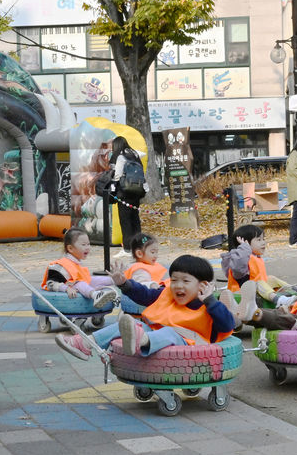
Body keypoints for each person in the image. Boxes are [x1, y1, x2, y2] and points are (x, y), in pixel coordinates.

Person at [54, 255, 235, 360]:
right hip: (156, 333)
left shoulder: (210, 304)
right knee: (132, 323)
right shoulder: (167, 294)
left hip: (190, 342)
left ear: (202, 285)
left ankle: (139, 340)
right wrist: (124, 283)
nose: (178, 286)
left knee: (170, 332)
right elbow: (144, 295)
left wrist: (210, 301)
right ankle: (85, 343)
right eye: (174, 280)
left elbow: (227, 325)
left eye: (186, 281)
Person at [41, 228, 119, 307]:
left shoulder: (76, 263)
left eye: (88, 244)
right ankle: (95, 295)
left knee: (93, 279)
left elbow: (87, 280)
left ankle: (116, 280)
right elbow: (50, 283)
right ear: (70, 248)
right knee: (80, 284)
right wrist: (66, 289)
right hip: (68, 289)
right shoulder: (60, 265)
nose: (87, 247)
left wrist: (114, 279)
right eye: (83, 245)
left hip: (75, 285)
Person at [110, 136, 147, 259]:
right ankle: (138, 247)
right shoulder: (135, 154)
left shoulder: (121, 156)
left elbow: (118, 175)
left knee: (125, 221)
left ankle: (127, 249)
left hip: (125, 192)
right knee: (135, 219)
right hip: (137, 191)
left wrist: (113, 189)